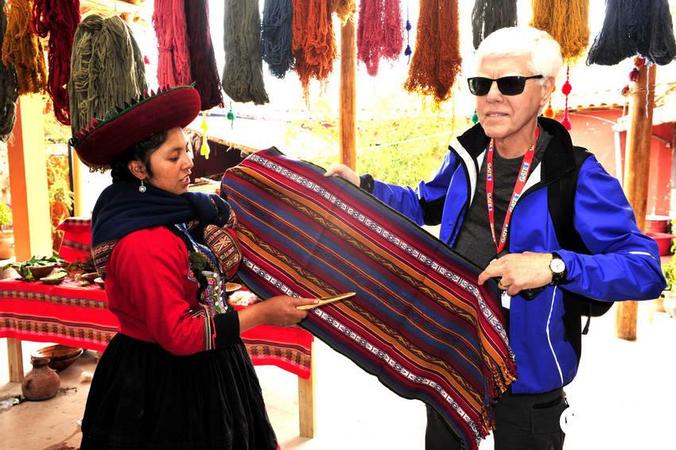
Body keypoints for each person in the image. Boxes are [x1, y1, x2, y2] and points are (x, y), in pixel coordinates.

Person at [326, 26, 665, 450]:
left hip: (528, 376)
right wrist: (364, 186)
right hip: (454, 359)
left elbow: (644, 268)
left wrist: (554, 266)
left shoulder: (576, 175)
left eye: (510, 83)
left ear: (545, 90)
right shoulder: (466, 156)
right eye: (481, 84)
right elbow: (424, 203)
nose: (492, 96)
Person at [71, 85, 318, 449]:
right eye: (174, 157)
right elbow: (179, 334)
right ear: (139, 168)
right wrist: (264, 314)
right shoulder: (141, 244)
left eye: (185, 150)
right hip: (166, 387)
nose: (188, 162)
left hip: (212, 366)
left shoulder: (176, 215)